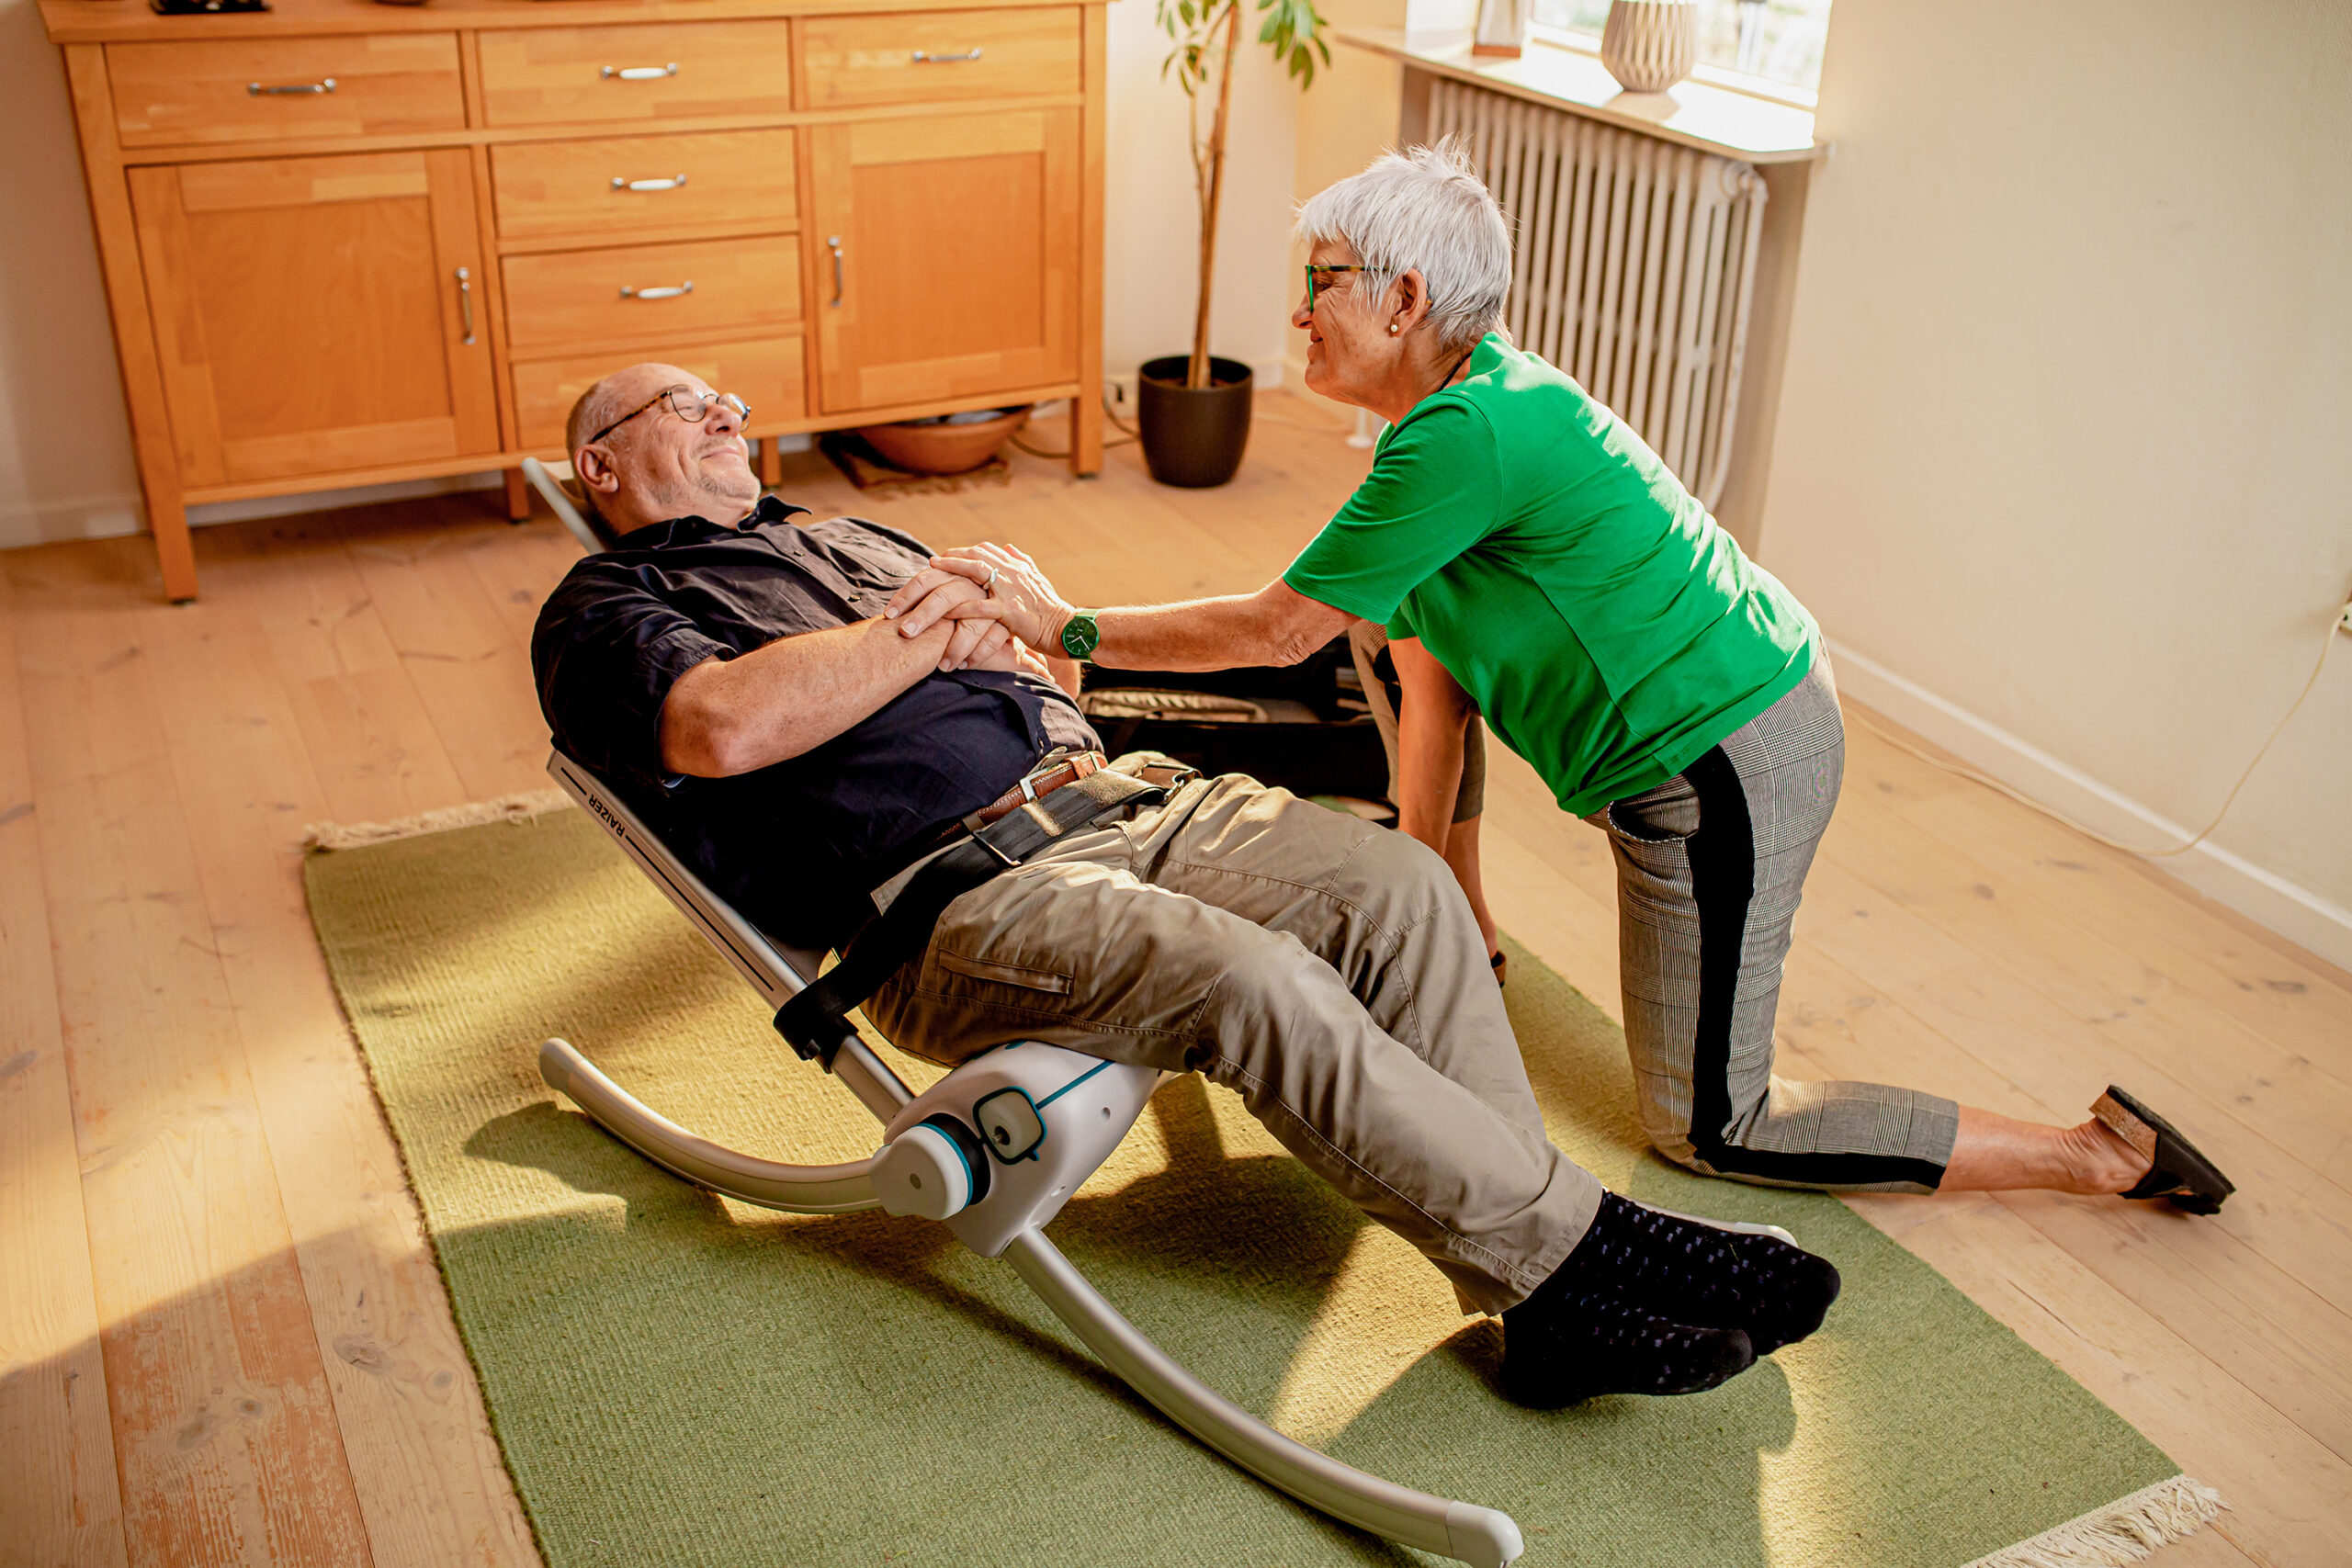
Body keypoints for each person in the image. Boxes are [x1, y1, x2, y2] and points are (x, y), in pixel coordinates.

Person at [888, 144, 2234, 1217]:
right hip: (1712, 729)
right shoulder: (1440, 431)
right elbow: (1406, 660)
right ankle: (1462, 907)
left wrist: (1065, 626)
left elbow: (1276, 628)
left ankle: (2092, 1155)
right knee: (1391, 630)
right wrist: (1442, 895)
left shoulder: (1467, 439)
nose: (1297, 310)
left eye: (1325, 281)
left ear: (1405, 298)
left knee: (1713, 1123)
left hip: (1728, 760)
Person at [531, 361, 1850, 1410]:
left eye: (729, 401)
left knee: (1402, 888)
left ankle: (1543, 1294)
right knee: (1253, 978)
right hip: (955, 905)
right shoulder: (606, 608)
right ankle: (1583, 1250)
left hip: (1129, 800)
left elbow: (1044, 676)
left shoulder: (848, 532)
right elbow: (725, 730)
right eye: (685, 405)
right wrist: (925, 624)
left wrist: (1018, 632)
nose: (728, 413)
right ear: (602, 461)